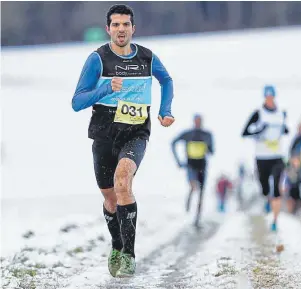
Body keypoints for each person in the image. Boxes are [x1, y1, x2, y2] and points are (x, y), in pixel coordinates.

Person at [71, 4, 174, 277]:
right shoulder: (97, 59)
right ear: (108, 29)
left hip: (136, 131)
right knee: (110, 197)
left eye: (125, 24)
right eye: (115, 25)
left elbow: (166, 80)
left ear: (133, 28)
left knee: (123, 181)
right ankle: (117, 244)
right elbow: (76, 102)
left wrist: (165, 110)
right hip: (104, 132)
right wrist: (105, 88)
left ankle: (128, 254)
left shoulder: (147, 58)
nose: (120, 29)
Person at [241, 85, 289, 231]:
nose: (269, 99)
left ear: (274, 97)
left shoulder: (281, 113)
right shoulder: (258, 113)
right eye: (267, 97)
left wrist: (284, 130)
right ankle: (267, 199)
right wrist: (260, 130)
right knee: (265, 187)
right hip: (261, 157)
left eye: (271, 96)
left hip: (277, 156)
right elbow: (244, 133)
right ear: (264, 97)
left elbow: (285, 130)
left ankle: (275, 220)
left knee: (276, 186)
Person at [171, 114, 214, 228]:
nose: (198, 123)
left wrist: (207, 145)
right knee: (194, 186)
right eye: (196, 121)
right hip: (190, 165)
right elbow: (173, 143)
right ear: (193, 121)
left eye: (200, 120)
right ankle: (188, 207)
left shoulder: (207, 135)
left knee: (201, 193)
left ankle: (197, 219)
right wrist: (178, 161)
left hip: (202, 166)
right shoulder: (187, 134)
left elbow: (212, 151)